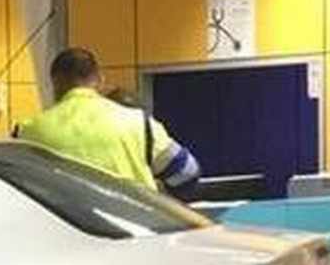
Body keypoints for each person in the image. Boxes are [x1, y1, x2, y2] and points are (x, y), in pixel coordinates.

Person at [16, 48, 201, 198]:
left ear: (54, 84)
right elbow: (186, 173)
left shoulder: (26, 132)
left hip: (60, 238)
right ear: (99, 79)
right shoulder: (138, 122)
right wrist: (159, 200)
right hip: (134, 233)